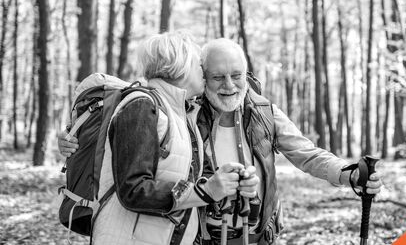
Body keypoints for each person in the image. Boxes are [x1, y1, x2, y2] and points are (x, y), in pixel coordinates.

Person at [58, 32, 259, 245]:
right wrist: (205, 191)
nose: (202, 71)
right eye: (197, 64)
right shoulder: (142, 107)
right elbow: (133, 190)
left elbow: (186, 180)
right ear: (179, 65)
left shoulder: (181, 114)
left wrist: (226, 182)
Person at [192, 38, 382, 245]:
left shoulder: (265, 113)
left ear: (245, 75)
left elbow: (307, 154)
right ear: (203, 78)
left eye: (236, 76)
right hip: (202, 238)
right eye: (218, 77)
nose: (229, 85)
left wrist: (349, 173)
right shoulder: (189, 117)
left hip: (259, 237)